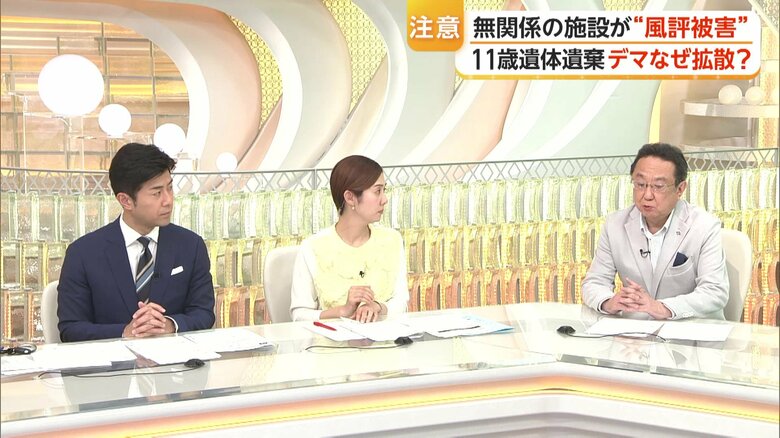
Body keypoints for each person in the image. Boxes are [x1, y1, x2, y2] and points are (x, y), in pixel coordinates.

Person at [57, 143, 215, 342]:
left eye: (169, 188)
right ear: (126, 201)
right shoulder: (83, 254)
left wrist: (169, 325)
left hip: (176, 359)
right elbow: (71, 328)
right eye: (157, 193)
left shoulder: (191, 246)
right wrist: (125, 332)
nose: (168, 200)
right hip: (112, 360)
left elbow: (204, 313)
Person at [582, 143, 729, 320]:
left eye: (658, 186)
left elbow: (714, 292)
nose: (647, 195)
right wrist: (609, 302)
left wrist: (661, 307)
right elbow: (594, 282)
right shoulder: (615, 225)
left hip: (689, 329)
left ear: (680, 189)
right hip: (635, 332)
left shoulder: (704, 226)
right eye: (640, 184)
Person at [290, 155, 409, 323]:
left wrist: (377, 307)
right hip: (331, 339)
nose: (384, 199)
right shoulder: (313, 248)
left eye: (384, 190)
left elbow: (401, 302)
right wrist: (342, 311)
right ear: (350, 197)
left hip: (386, 338)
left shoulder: (392, 240)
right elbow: (299, 315)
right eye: (377, 191)